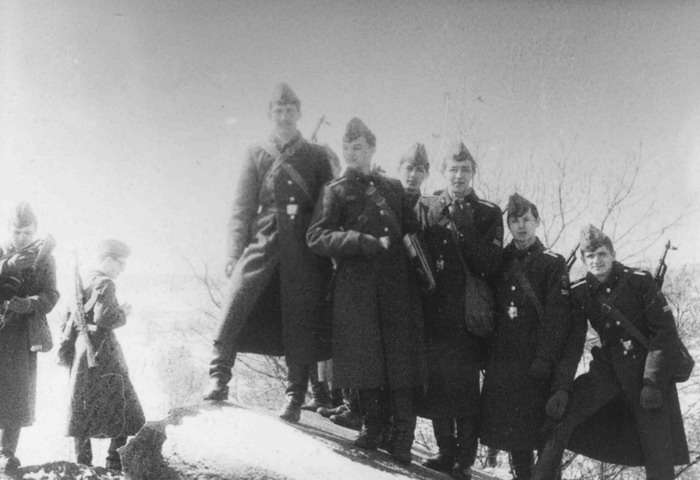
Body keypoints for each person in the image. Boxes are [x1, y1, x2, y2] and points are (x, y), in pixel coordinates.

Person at [204, 83, 335, 425]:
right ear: (269, 114)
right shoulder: (256, 153)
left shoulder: (317, 155)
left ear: (299, 113)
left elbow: (328, 206)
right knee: (236, 306)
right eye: (278, 111)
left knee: (300, 320)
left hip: (304, 248)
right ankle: (218, 377)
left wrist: (325, 251)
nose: (285, 117)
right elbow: (241, 207)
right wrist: (233, 252)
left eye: (290, 110)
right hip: (262, 240)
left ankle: (295, 396)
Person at [307, 117, 426, 465]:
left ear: (372, 148)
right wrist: (359, 240)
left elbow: (412, 232)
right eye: (346, 147)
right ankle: (372, 428)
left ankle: (402, 436)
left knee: (400, 363)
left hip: (397, 288)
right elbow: (316, 237)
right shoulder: (334, 190)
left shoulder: (393, 188)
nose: (351, 153)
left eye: (358, 147)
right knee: (365, 359)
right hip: (357, 289)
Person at [532, 225, 689, 480]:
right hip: (608, 367)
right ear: (584, 260)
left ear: (613, 254)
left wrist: (653, 382)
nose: (597, 260)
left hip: (646, 369)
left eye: (602, 254)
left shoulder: (640, 280)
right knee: (560, 420)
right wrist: (562, 387)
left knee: (658, 447)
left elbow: (664, 333)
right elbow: (573, 344)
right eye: (590, 256)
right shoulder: (580, 291)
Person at [415, 141, 503, 480]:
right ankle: (444, 451)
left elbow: (490, 265)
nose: (458, 176)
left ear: (473, 173)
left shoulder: (488, 213)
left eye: (465, 170)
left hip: (468, 315)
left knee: (465, 389)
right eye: (452, 169)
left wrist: (465, 228)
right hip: (435, 310)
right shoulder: (429, 205)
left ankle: (464, 460)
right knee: (437, 382)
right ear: (443, 172)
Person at [480, 194, 571, 480]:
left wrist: (546, 358)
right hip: (504, 358)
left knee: (541, 427)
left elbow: (558, 317)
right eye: (515, 220)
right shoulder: (499, 259)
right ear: (508, 224)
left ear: (537, 222)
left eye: (527, 220)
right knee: (512, 428)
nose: (521, 226)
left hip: (536, 359)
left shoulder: (552, 263)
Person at [61, 239, 144, 471]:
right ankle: (114, 461)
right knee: (125, 404)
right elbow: (105, 318)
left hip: (81, 349)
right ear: (107, 259)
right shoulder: (105, 283)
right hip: (102, 350)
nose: (122, 269)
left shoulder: (83, 280)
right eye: (120, 263)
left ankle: (83, 463)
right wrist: (122, 314)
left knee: (82, 404)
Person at [0, 203, 59, 473]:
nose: (21, 237)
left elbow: (51, 295)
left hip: (20, 335)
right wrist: (7, 265)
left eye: (27, 232)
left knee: (15, 393)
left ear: (35, 231)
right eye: (16, 232)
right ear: (8, 229)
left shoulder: (44, 258)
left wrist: (31, 303)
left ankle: (5, 452)